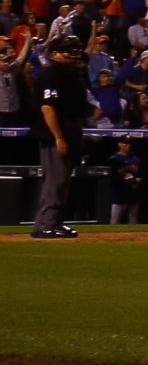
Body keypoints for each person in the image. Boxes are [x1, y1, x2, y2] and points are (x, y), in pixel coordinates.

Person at [31, 36, 91, 238]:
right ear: (55, 53)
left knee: (63, 181)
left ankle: (55, 222)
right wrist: (58, 137)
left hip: (70, 130)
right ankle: (45, 224)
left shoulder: (72, 74)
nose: (74, 55)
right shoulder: (51, 73)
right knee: (55, 181)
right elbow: (48, 107)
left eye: (76, 51)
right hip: (56, 133)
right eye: (69, 51)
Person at [106, 136, 145, 225]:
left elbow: (142, 174)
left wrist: (139, 179)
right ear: (119, 144)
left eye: (129, 143)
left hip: (133, 194)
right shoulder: (113, 159)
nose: (127, 145)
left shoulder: (136, 159)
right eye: (125, 143)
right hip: (119, 195)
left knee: (133, 221)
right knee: (114, 222)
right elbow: (112, 178)